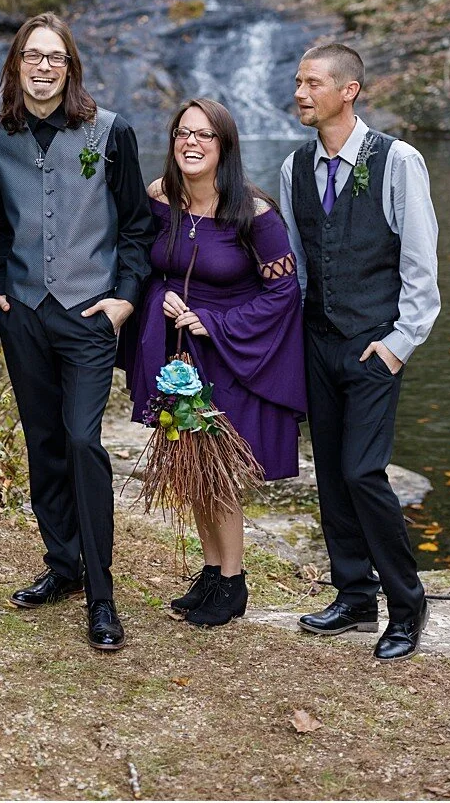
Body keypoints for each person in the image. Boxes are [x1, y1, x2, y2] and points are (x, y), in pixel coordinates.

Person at [0, 12, 154, 652]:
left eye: (56, 57)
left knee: (84, 443)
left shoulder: (110, 132)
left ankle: (103, 596)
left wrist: (123, 302)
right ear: (16, 65)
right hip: (23, 312)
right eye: (33, 56)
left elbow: (138, 226)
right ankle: (62, 565)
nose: (44, 66)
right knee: (44, 442)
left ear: (70, 66)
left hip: (88, 313)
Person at [278, 44, 439, 661]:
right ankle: (353, 594)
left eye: (312, 82)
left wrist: (400, 344)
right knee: (330, 477)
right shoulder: (296, 167)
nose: (300, 92)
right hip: (317, 341)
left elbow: (422, 268)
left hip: (375, 345)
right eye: (297, 82)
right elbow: (295, 267)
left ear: (349, 91)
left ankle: (406, 603)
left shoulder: (398, 162)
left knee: (362, 472)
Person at [124, 98, 307, 627]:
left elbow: (283, 292)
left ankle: (233, 581)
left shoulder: (256, 214)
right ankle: (210, 571)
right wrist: (159, 300)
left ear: (224, 146)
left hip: (230, 354)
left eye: (204, 135)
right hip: (177, 357)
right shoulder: (161, 199)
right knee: (193, 466)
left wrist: (215, 323)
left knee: (220, 473)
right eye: (183, 133)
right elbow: (146, 259)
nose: (192, 143)